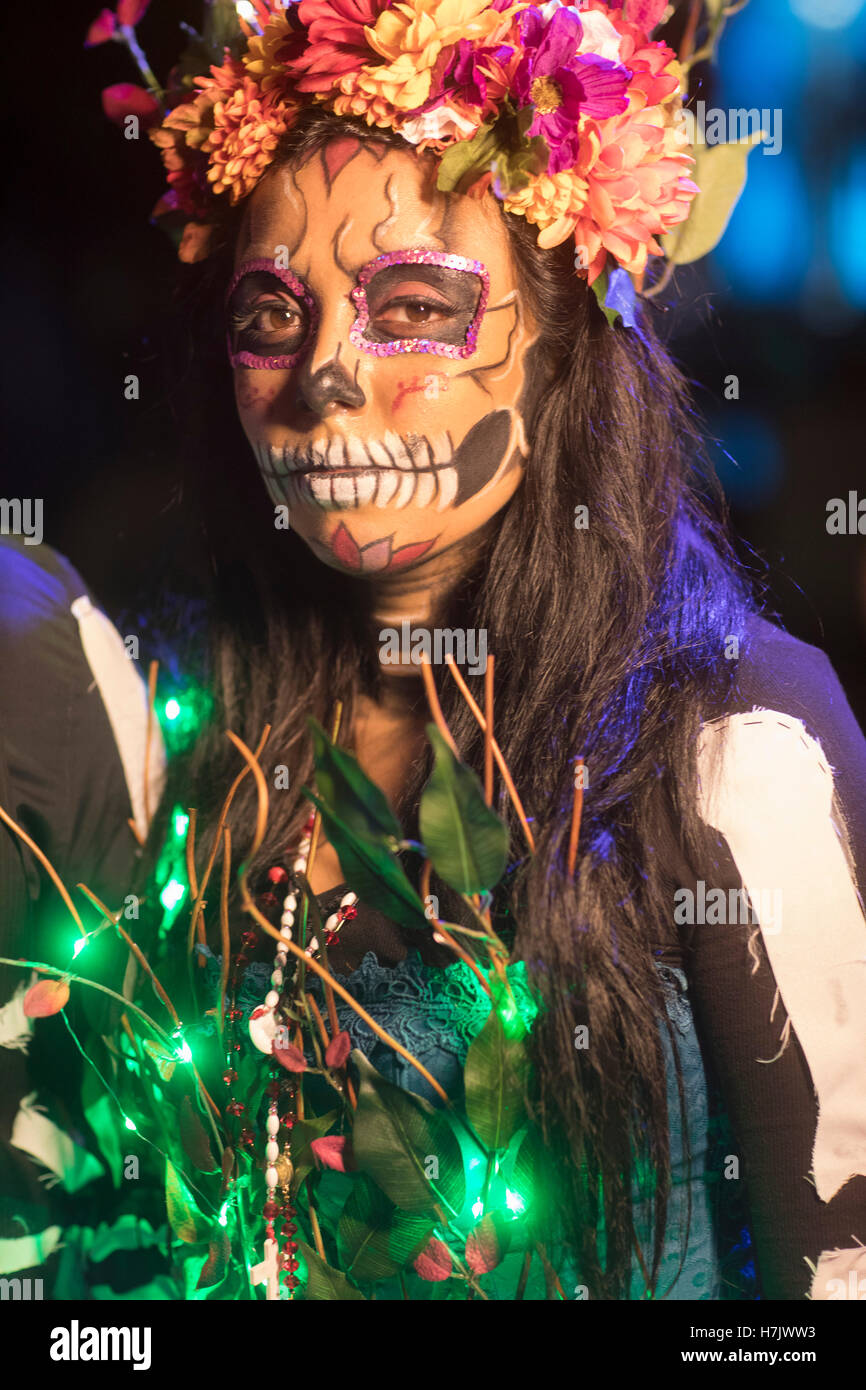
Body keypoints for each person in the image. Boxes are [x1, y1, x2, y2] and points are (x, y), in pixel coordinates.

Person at [4, 0, 865, 1301]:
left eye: (412, 303)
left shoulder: (734, 753)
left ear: (564, 335)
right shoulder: (178, 746)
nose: (329, 373)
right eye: (270, 316)